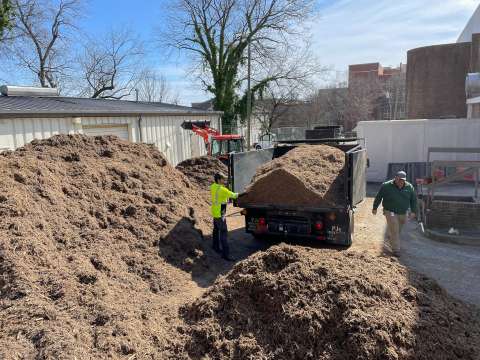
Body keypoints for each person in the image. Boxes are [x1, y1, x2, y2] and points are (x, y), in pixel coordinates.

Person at [372, 171, 417, 256]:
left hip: (403, 212)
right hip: (390, 211)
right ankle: (396, 249)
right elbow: (379, 197)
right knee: (395, 229)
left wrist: (414, 211)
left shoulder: (409, 187)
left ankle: (391, 237)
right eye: (399, 179)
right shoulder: (386, 186)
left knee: (397, 229)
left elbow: (413, 200)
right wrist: (375, 208)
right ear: (395, 178)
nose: (401, 181)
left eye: (403, 180)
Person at [210, 172, 238, 261]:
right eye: (223, 179)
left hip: (215, 212)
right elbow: (234, 195)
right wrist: (245, 193)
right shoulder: (222, 189)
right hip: (220, 213)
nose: (225, 180)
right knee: (224, 233)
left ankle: (215, 247)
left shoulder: (213, 186)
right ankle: (226, 255)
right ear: (219, 180)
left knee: (216, 230)